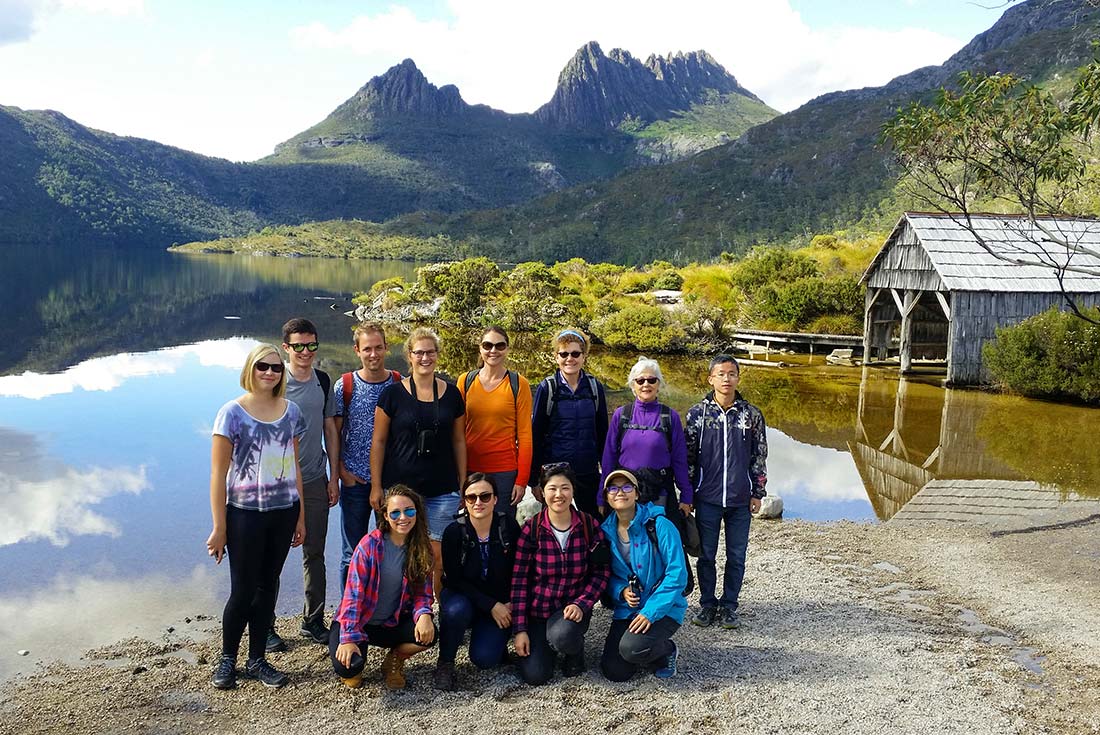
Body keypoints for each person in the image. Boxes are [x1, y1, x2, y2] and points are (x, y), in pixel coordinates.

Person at [207, 344, 306, 690]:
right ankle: (228, 659)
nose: (270, 373)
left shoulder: (291, 412)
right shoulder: (231, 413)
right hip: (244, 515)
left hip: (283, 512)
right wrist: (219, 527)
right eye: (263, 366)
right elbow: (218, 475)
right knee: (242, 590)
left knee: (268, 588)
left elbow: (294, 467)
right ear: (251, 369)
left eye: (276, 368)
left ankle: (257, 658)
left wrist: (301, 517)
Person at [371, 327, 466, 597]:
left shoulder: (451, 394)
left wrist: (462, 481)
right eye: (419, 352)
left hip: (443, 488)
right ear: (409, 356)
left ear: (437, 355)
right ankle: (400, 608)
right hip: (401, 489)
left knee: (437, 555)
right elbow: (378, 442)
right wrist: (376, 486)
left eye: (430, 352)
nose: (425, 358)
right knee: (400, 550)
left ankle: (432, 610)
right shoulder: (392, 395)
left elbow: (459, 441)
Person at [684, 355, 768, 630]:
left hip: (740, 499)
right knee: (706, 554)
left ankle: (729, 605)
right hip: (706, 498)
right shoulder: (698, 414)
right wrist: (688, 495)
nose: (726, 379)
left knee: (737, 555)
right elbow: (689, 459)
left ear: (738, 378)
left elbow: (759, 455)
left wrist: (758, 491)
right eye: (721, 374)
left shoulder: (751, 414)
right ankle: (708, 604)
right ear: (711, 379)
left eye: (732, 374)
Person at [272, 317, 339, 650]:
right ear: (286, 348)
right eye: (298, 346)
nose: (305, 352)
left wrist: (334, 477)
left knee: (315, 553)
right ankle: (265, 624)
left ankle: (312, 620)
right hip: (277, 485)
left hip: (314, 479)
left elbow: (329, 428)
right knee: (272, 555)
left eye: (311, 345)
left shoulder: (323, 380)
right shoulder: (273, 380)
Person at [511, 463, 610, 685]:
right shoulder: (532, 529)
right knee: (536, 676)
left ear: (573, 490)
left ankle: (574, 651)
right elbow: (518, 583)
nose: (559, 495)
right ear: (541, 492)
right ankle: (547, 645)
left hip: (572, 610)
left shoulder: (588, 525)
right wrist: (519, 630)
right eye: (552, 488)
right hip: (538, 611)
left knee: (562, 637)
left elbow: (601, 572)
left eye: (565, 488)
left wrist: (582, 603)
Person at [330, 485, 436, 690]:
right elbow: (353, 596)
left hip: (391, 622)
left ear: (417, 512)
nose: (403, 517)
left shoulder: (423, 548)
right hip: (361, 621)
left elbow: (423, 593)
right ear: (386, 516)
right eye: (395, 512)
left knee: (429, 635)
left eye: (409, 510)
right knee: (350, 673)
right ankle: (355, 651)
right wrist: (349, 637)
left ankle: (394, 660)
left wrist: (424, 614)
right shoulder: (369, 546)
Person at [434, 473, 521, 690]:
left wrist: (512, 602)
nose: (478, 502)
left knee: (484, 659)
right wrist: (491, 606)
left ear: (495, 499)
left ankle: (498, 645)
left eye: (484, 496)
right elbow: (454, 580)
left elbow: (521, 569)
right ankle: (445, 662)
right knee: (455, 611)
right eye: (471, 497)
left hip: (499, 598)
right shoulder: (454, 532)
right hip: (463, 596)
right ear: (464, 501)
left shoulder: (507, 526)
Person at [332, 322, 402, 589]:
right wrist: (340, 471)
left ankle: (385, 613)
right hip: (355, 482)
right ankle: (348, 616)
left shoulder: (398, 383)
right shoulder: (346, 386)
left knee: (392, 551)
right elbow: (335, 433)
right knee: (352, 554)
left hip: (391, 484)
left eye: (378, 348)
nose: (374, 354)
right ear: (357, 351)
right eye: (367, 349)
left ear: (386, 348)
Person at [599, 469, 686, 681]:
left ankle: (666, 650)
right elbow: (603, 574)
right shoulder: (604, 532)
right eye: (613, 488)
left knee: (631, 649)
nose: (620, 492)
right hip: (628, 609)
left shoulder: (660, 526)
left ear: (637, 494)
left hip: (663, 608)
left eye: (627, 487)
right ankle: (642, 648)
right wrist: (621, 591)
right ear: (607, 497)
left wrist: (651, 612)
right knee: (615, 672)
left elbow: (677, 574)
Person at [598, 356, 693, 517]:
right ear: (633, 385)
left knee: (658, 538)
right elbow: (609, 458)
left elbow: (679, 460)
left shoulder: (670, 417)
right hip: (625, 492)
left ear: (659, 384)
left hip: (659, 492)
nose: (646, 384)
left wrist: (686, 495)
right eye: (640, 381)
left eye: (651, 380)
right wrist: (602, 495)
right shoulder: (621, 415)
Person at [530, 329, 609, 517]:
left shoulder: (594, 387)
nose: (569, 359)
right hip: (555, 472)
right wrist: (534, 480)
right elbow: (536, 435)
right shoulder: (547, 388)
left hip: (587, 470)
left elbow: (603, 432)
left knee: (593, 522)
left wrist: (606, 471)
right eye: (564, 354)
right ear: (556, 357)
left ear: (584, 356)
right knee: (554, 524)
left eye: (575, 354)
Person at [458, 326, 533, 520]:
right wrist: (458, 474)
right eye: (487, 345)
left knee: (503, 530)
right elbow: (457, 432)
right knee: (472, 526)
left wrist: (522, 481)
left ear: (507, 349)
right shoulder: (465, 381)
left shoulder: (518, 384)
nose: (493, 351)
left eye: (500, 346)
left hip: (505, 472)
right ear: (480, 349)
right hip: (471, 468)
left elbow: (525, 435)